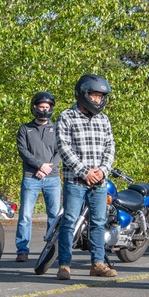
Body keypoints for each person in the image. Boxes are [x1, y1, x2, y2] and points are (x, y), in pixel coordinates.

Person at [54, 74, 117, 280]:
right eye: (95, 95)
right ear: (84, 94)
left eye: (101, 96)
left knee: (98, 222)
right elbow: (64, 148)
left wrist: (103, 170)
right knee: (69, 221)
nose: (98, 100)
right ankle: (64, 265)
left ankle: (98, 263)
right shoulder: (66, 117)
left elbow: (110, 147)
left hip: (99, 181)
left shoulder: (104, 119)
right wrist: (84, 171)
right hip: (75, 180)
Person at [14, 91, 62, 262]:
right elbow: (23, 151)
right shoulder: (25, 129)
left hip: (53, 178)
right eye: (41, 106)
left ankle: (52, 249)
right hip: (31, 177)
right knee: (25, 215)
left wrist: (48, 168)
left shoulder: (57, 128)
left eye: (47, 107)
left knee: (54, 216)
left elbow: (61, 151)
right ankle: (22, 250)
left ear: (51, 108)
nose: (44, 110)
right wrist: (39, 165)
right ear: (35, 107)